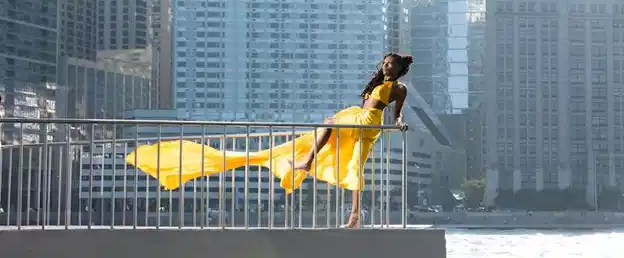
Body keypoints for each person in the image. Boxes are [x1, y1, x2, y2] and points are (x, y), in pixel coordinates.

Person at [125, 53, 413, 228]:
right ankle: (307, 160)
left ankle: (354, 215)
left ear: (399, 69)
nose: (387, 67)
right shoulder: (376, 84)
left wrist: (400, 124)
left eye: (391, 65)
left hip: (369, 126)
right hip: (356, 118)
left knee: (354, 166)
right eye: (385, 64)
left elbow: (396, 115)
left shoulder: (398, 89)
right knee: (328, 127)